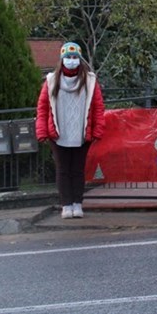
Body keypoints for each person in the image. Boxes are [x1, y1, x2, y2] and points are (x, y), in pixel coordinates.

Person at [36, 42, 105, 219]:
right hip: (58, 133)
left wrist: (97, 130)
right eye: (68, 57)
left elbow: (98, 107)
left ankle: (77, 203)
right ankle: (66, 204)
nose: (71, 61)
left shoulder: (90, 81)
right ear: (62, 59)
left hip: (82, 134)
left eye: (75, 58)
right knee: (62, 169)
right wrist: (42, 131)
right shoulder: (51, 81)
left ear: (80, 60)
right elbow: (43, 107)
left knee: (78, 170)